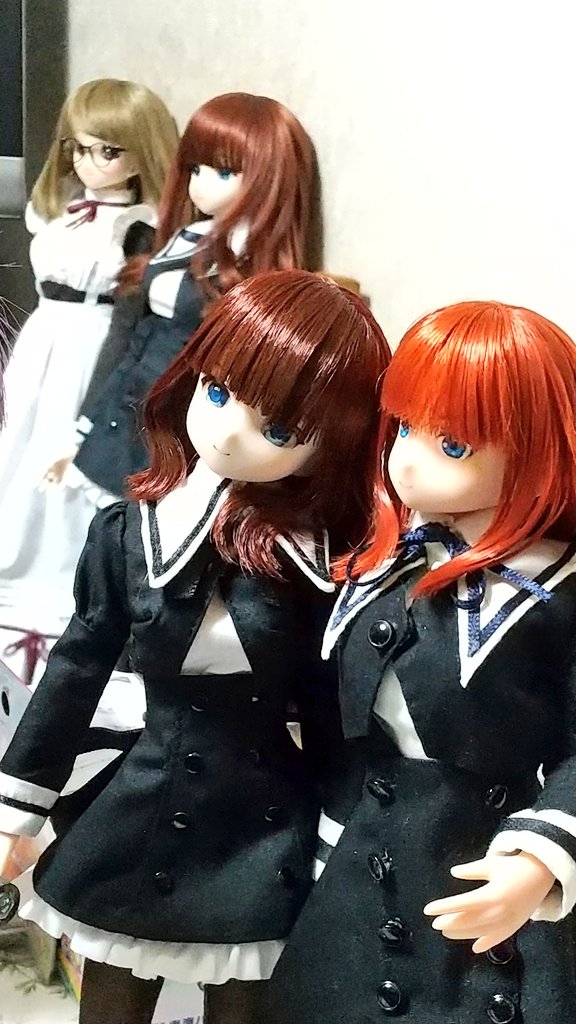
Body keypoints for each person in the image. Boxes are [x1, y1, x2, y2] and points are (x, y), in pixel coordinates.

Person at [0, 270, 391, 1024]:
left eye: (280, 431)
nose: (229, 432)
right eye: (218, 391)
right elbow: (74, 672)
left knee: (247, 1006)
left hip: (262, 830)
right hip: (137, 814)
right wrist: (16, 809)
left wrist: (337, 840)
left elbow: (332, 715)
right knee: (111, 1003)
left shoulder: (317, 568)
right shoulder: (129, 536)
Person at [263, 299, 576, 1023]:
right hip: (362, 863)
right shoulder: (383, 566)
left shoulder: (554, 593)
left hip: (484, 865)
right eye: (403, 427)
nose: (406, 458)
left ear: (538, 450)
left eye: (453, 444)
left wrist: (539, 859)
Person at [47, 91, 318, 503]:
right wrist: (85, 424)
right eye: (195, 168)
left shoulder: (252, 266)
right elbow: (127, 342)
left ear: (269, 177)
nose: (200, 184)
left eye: (224, 172)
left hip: (179, 419)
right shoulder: (183, 238)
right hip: (128, 402)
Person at [0, 78, 178, 650]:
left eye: (107, 150)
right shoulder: (59, 211)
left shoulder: (139, 224)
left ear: (141, 154)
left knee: (67, 453)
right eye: (78, 147)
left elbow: (130, 314)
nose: (87, 161)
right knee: (20, 442)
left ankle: (64, 577)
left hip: (89, 343)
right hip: (43, 336)